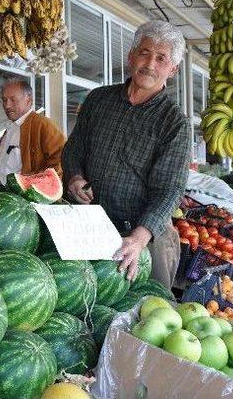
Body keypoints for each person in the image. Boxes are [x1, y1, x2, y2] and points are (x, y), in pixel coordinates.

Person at [62, 20, 192, 290]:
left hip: (142, 236)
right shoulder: (98, 100)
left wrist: (140, 237)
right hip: (89, 225)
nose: (150, 64)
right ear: (131, 55)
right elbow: (74, 148)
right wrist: (75, 177)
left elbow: (169, 190)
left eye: (161, 58)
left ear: (173, 68)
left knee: (144, 310)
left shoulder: (174, 122)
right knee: (83, 304)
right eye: (144, 52)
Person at [0, 77, 66, 183]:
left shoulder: (43, 125)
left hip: (26, 197)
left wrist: (39, 186)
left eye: (13, 100)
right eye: (4, 100)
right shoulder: (9, 129)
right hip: (3, 195)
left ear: (29, 100)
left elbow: (61, 159)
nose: (7, 105)